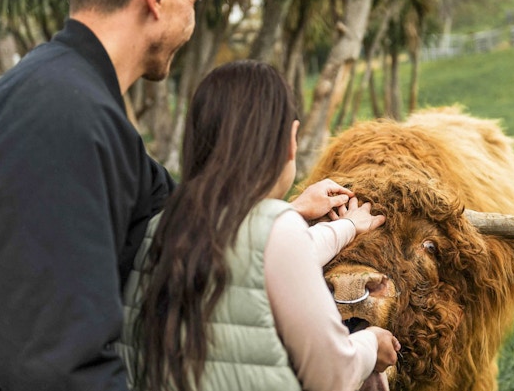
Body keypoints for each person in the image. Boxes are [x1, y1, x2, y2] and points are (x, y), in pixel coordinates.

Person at [0, 0, 201, 390]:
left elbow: (179, 211)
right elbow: (59, 369)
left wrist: (282, 220)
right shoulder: (60, 118)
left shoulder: (67, 95)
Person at [121, 60, 400, 391]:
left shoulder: (159, 228)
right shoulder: (277, 232)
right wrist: (370, 346)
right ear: (291, 141)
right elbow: (333, 376)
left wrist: (346, 227)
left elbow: (260, 253)